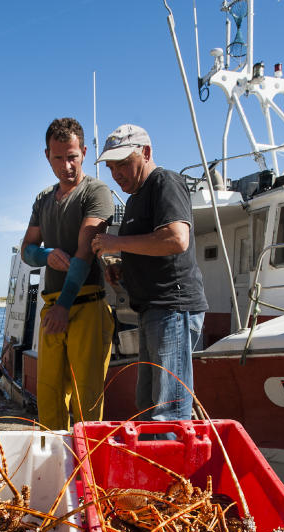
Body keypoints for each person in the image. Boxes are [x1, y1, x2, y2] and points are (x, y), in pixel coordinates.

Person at [91, 124, 207, 422]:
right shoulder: (134, 199)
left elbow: (176, 239)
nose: (116, 174)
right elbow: (152, 247)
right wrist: (123, 266)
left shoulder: (164, 182)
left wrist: (116, 243)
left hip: (172, 307)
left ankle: (169, 468)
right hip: (152, 310)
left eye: (123, 164)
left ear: (146, 153)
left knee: (168, 409)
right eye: (111, 167)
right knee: (146, 403)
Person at [20, 117, 115, 430]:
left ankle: (87, 475)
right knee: (48, 398)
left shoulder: (96, 192)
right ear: (47, 155)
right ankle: (56, 473)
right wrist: (46, 255)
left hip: (86, 305)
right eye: (58, 157)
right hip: (52, 308)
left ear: (84, 152)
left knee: (85, 401)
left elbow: (84, 252)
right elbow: (27, 251)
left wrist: (64, 305)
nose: (66, 166)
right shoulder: (43, 199)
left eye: (72, 156)